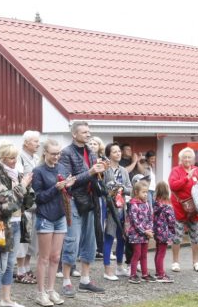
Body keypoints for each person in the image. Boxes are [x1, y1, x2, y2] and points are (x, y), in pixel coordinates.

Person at [59, 121, 106, 296]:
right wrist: (91, 172)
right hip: (73, 200)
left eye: (89, 131)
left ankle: (85, 280)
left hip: (90, 199)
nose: (88, 134)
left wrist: (101, 172)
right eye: (84, 132)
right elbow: (66, 181)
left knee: (90, 240)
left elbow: (96, 175)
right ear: (74, 134)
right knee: (72, 240)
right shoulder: (66, 154)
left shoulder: (91, 152)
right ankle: (66, 281)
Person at [0, 141, 34, 307]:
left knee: (10, 265)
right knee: (0, 265)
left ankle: (6, 299)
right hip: (1, 225)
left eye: (15, 157)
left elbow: (27, 203)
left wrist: (27, 187)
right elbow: (5, 205)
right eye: (11, 158)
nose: (14, 161)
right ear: (2, 158)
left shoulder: (18, 174)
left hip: (17, 223)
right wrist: (22, 186)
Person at [32, 139, 75, 306]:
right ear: (45, 153)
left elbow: (66, 193)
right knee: (43, 257)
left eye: (58, 153)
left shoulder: (63, 168)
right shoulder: (38, 171)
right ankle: (40, 292)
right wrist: (55, 188)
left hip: (60, 216)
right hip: (45, 217)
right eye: (53, 154)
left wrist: (69, 186)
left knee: (56, 257)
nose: (56, 156)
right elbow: (39, 197)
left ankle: (51, 290)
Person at [169, 147, 198, 272]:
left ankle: (196, 262)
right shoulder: (175, 171)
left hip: (195, 209)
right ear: (180, 159)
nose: (187, 159)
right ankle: (175, 262)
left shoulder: (197, 171)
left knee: (196, 237)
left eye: (189, 157)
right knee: (177, 236)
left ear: (193, 159)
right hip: (179, 208)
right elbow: (173, 185)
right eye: (184, 157)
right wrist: (186, 178)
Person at [101, 142, 131, 280]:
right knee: (109, 237)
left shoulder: (124, 170)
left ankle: (119, 267)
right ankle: (107, 269)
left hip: (122, 208)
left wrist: (122, 188)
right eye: (114, 152)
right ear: (109, 155)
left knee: (121, 238)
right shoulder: (105, 169)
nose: (118, 154)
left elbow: (130, 188)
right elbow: (101, 188)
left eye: (119, 151)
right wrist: (111, 190)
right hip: (109, 208)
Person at [15, 130, 41, 283]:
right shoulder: (19, 158)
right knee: (23, 239)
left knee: (32, 240)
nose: (38, 144)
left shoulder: (37, 158)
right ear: (26, 143)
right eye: (35, 141)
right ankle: (20, 271)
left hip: (36, 203)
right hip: (24, 204)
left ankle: (26, 268)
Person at [125, 178, 153, 282]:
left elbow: (150, 217)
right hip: (136, 235)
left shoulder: (146, 204)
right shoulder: (133, 204)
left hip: (146, 234)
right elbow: (135, 222)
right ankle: (133, 275)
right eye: (143, 192)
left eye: (147, 192)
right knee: (137, 254)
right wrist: (144, 231)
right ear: (136, 192)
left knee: (144, 254)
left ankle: (145, 274)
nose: (146, 194)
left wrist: (149, 229)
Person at [151, 181, 176, 282]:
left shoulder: (156, 204)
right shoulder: (167, 206)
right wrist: (172, 231)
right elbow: (171, 221)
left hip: (157, 232)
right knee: (162, 253)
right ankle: (161, 274)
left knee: (158, 252)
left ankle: (158, 272)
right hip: (164, 233)